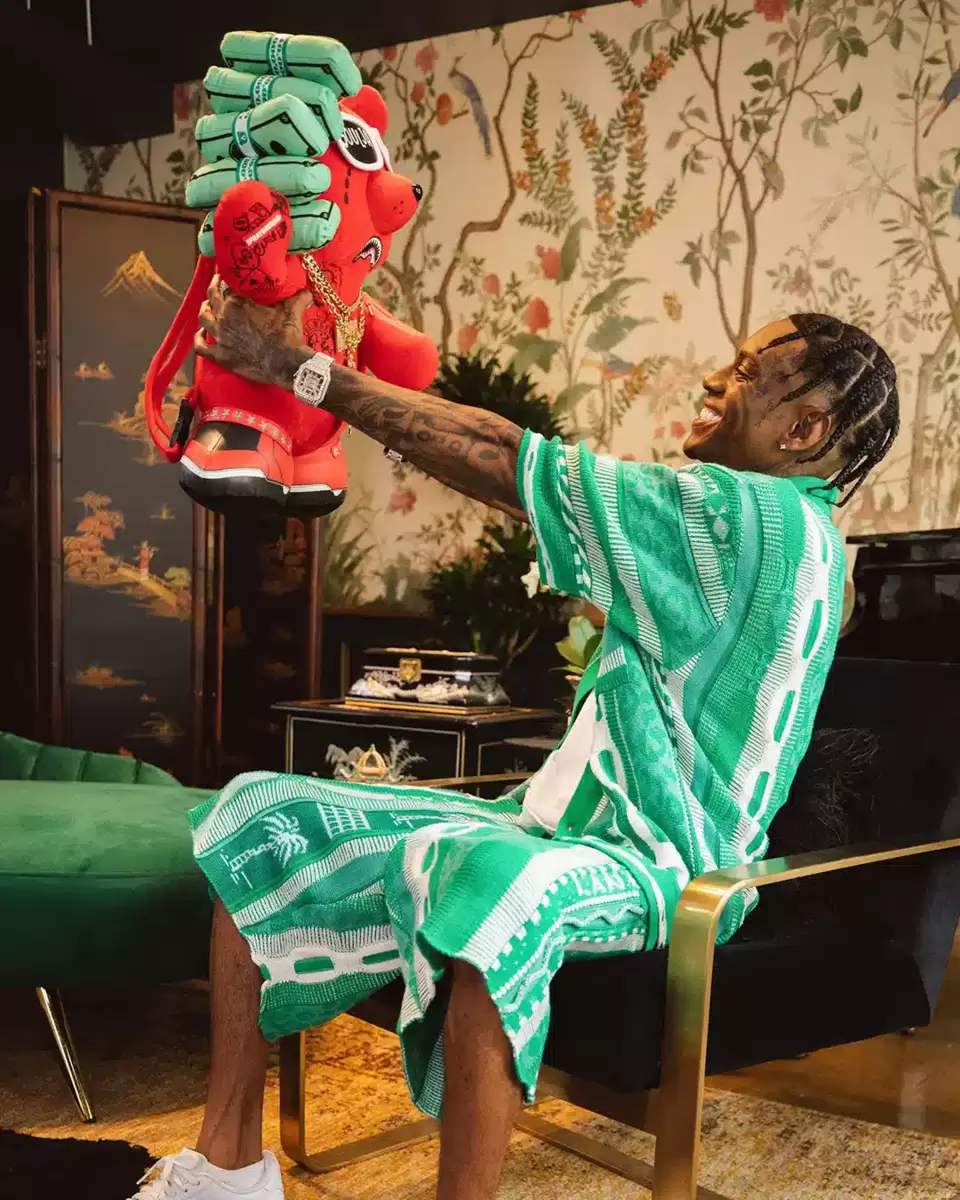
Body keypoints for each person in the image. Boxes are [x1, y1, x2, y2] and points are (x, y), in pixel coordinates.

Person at [130, 287, 898, 1200]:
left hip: (665, 864)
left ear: (805, 431)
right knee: (266, 810)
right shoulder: (790, 534)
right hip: (548, 821)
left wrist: (297, 368)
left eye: (745, 374)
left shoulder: (753, 518)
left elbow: (505, 457)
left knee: (491, 882)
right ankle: (226, 1173)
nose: (712, 380)